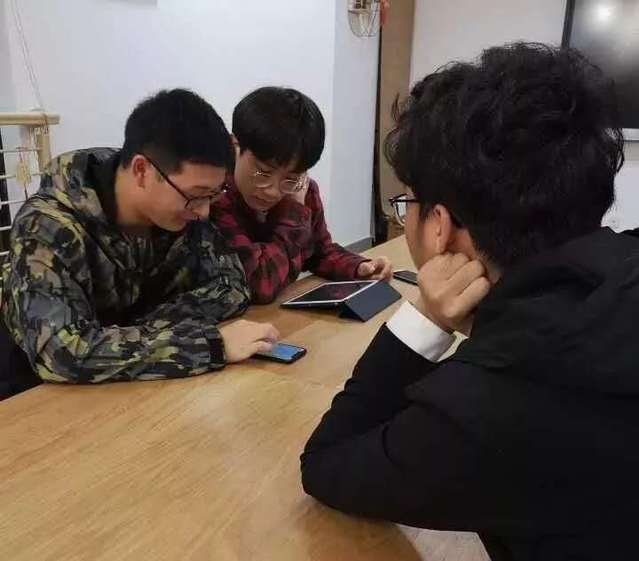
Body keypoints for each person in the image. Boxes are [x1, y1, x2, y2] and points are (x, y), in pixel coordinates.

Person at [300, 43, 638, 560]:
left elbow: (329, 463)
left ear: (439, 226)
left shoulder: (493, 402)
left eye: (407, 204)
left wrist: (425, 318)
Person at [0, 88, 278, 393]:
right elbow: (63, 354)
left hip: (137, 390)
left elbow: (231, 287)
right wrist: (210, 345)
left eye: (213, 195)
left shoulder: (177, 213)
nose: (203, 211)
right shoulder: (47, 227)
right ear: (142, 171)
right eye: (197, 195)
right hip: (36, 397)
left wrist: (137, 332)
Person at [210, 86, 392, 304]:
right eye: (263, 173)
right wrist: (293, 213)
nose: (273, 191)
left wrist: (360, 267)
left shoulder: (302, 189)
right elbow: (259, 284)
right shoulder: (213, 197)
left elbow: (320, 252)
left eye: (291, 178)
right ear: (235, 146)